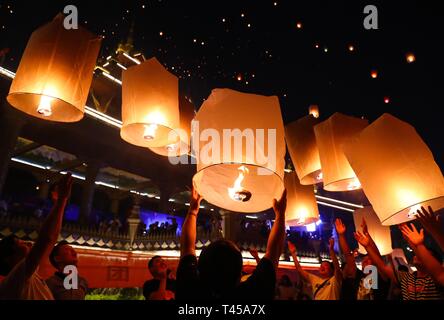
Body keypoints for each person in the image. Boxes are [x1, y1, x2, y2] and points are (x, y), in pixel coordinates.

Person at [176, 185, 287, 300]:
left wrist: (192, 212)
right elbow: (274, 251)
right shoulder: (251, 296)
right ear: (240, 275)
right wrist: (280, 214)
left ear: (199, 268)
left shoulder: (189, 292)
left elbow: (187, 248)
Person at [0, 173, 73, 299]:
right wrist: (61, 200)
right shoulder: (16, 280)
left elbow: (49, 241)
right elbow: (47, 239)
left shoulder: (34, 278)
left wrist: (59, 201)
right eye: (20, 243)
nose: (28, 243)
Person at [354, 211, 444, 300]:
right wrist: (367, 246)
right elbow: (382, 265)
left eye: (426, 255)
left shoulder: (435, 280)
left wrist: (421, 243)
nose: (418, 255)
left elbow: (437, 272)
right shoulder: (406, 277)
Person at [335, 218, 390, 300]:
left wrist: (367, 236)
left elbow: (377, 257)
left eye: (369, 260)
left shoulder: (379, 277)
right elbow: (348, 257)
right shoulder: (359, 276)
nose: (365, 261)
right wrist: (341, 235)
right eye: (364, 260)